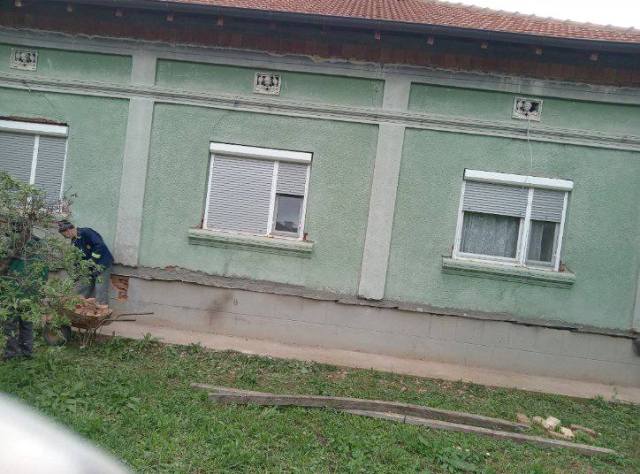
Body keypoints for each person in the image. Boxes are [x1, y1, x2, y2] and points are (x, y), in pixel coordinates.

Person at [58, 221, 113, 305]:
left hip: (102, 264)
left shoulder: (86, 232)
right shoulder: (74, 242)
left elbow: (99, 245)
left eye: (64, 235)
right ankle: (78, 306)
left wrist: (92, 261)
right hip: (89, 267)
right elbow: (77, 259)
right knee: (82, 286)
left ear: (68, 231)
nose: (65, 237)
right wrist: (77, 274)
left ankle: (102, 309)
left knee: (100, 288)